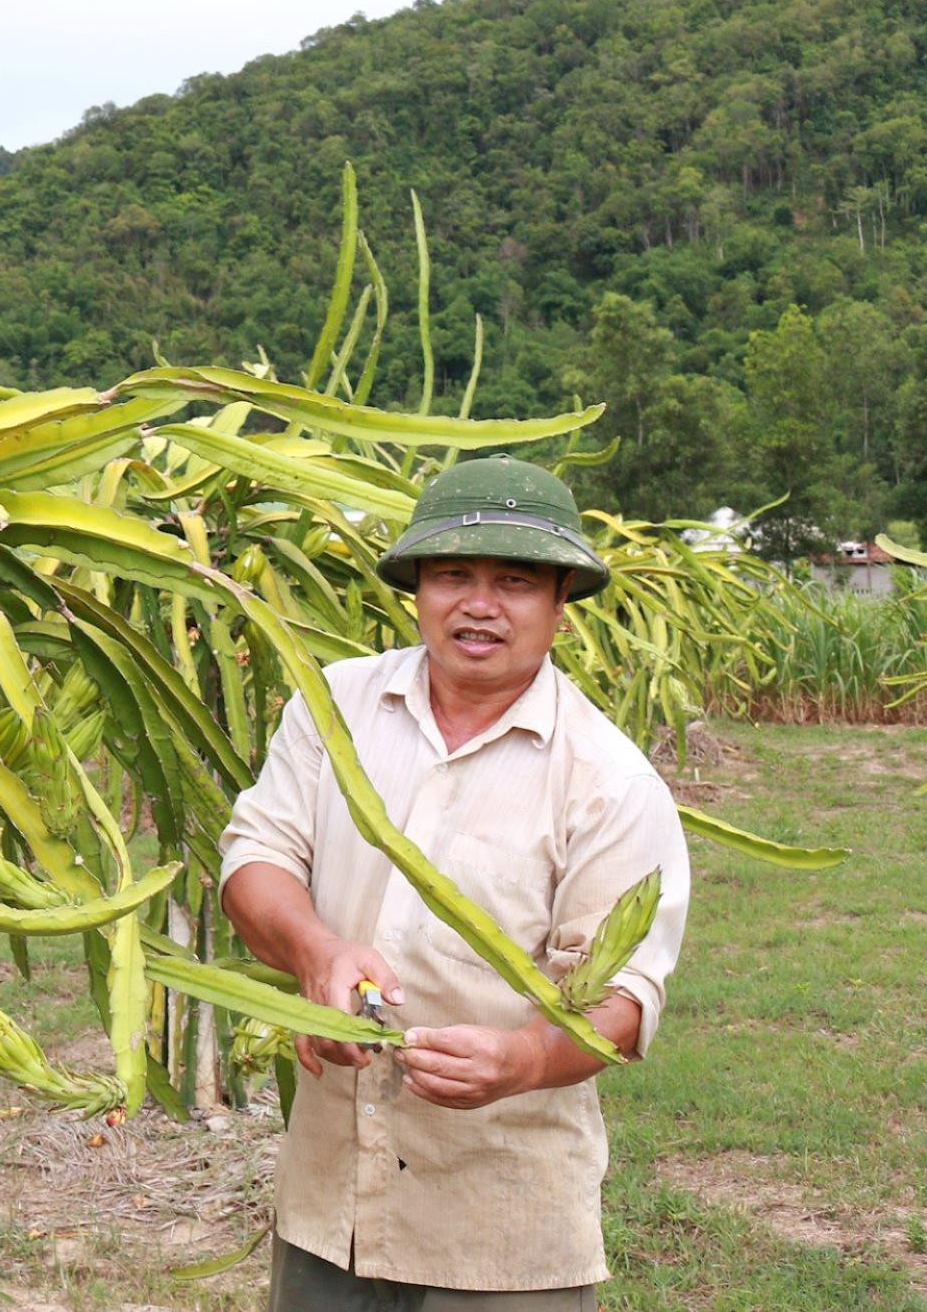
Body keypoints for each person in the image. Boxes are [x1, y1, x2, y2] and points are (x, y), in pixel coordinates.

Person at [217, 454, 691, 1310]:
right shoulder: (332, 708)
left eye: (513, 580)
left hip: (501, 1227)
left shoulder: (610, 783)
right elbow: (257, 857)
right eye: (453, 574)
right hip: (331, 1202)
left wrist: (524, 1057)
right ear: (418, 590)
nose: (479, 603)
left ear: (560, 606)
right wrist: (317, 954)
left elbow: (625, 999)